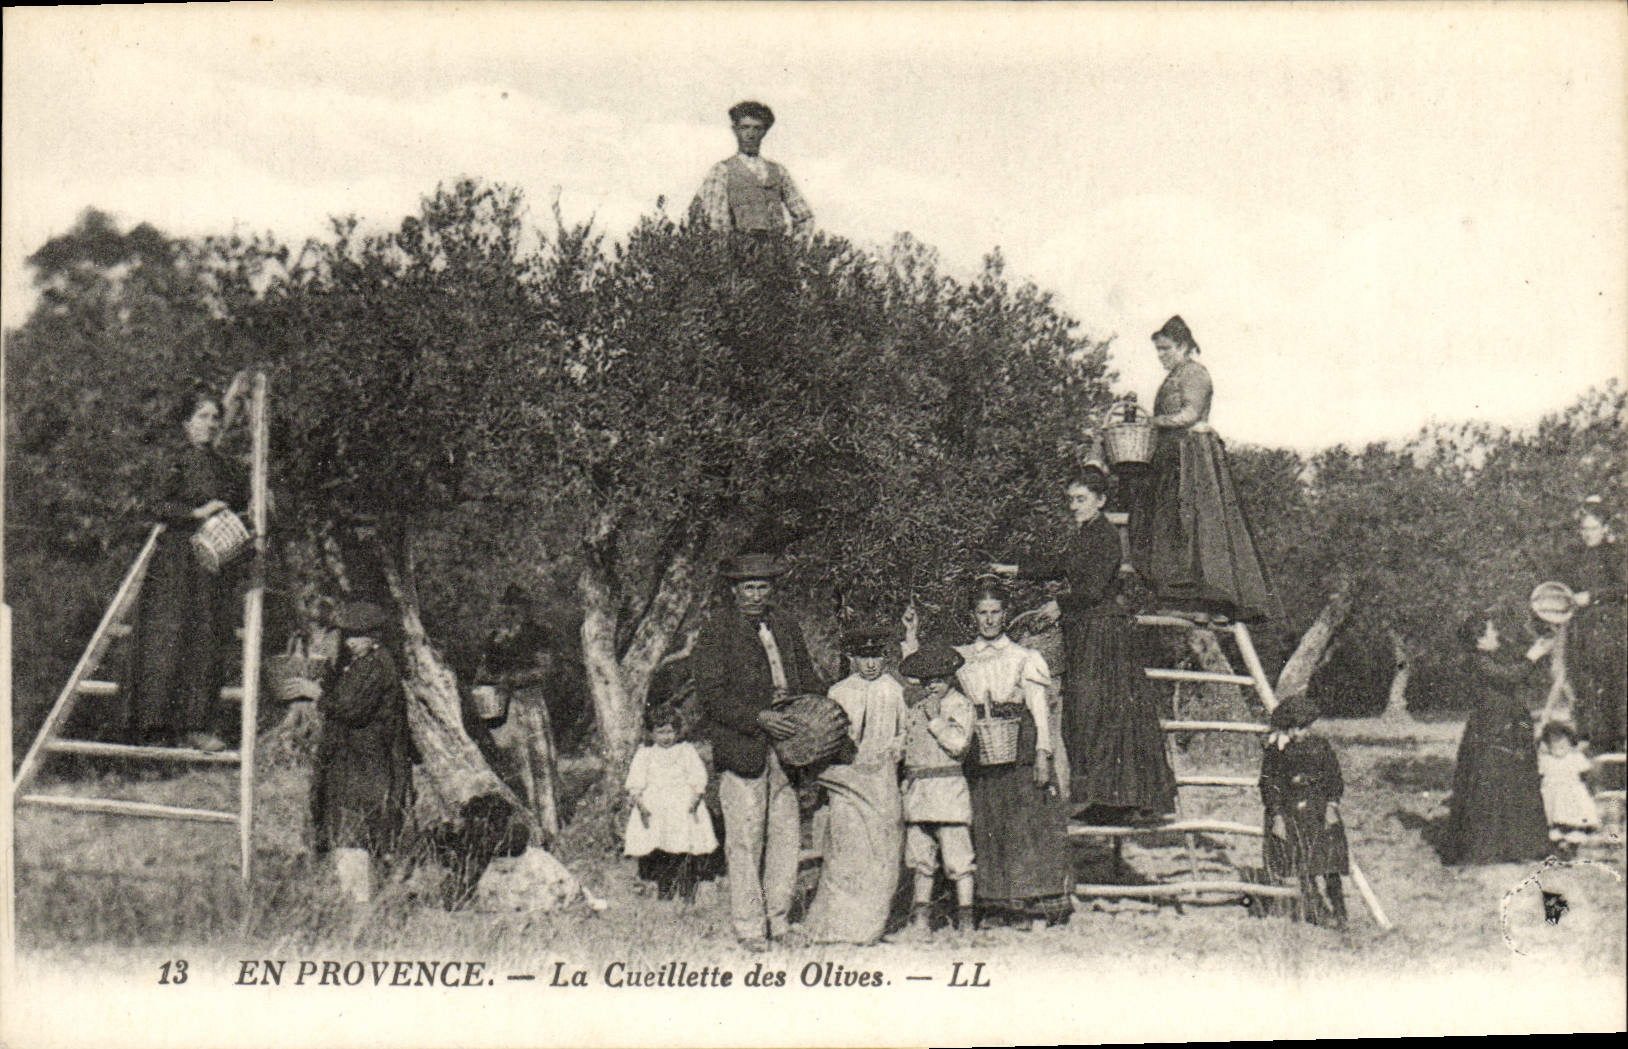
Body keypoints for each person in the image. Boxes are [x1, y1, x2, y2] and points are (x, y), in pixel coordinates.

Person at [992, 464, 1176, 822]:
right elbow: (1061, 565)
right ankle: (1102, 801)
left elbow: (1091, 589)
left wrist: (1059, 603)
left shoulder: (1106, 537)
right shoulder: (1085, 535)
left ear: (1101, 500)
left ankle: (1122, 801)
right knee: (1087, 716)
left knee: (1102, 714)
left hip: (1104, 635)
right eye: (1070, 500)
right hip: (1086, 634)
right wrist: (1013, 570)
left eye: (1081, 499)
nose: (1074, 506)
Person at [692, 552, 822, 950]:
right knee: (746, 839)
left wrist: (813, 715)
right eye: (747, 587)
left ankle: (778, 920)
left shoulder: (785, 625)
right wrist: (759, 718)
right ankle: (750, 927)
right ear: (733, 590)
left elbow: (807, 676)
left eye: (762, 586)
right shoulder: (717, 631)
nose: (755, 594)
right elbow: (711, 697)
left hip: (788, 747)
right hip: (744, 745)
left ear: (772, 588)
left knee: (785, 835)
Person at [1125, 316, 1281, 622]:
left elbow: (1190, 413)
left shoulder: (1196, 374)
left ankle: (1216, 602)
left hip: (1193, 458)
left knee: (1199, 527)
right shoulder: (1173, 376)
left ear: (1183, 346)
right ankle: (1179, 599)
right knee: (1167, 526)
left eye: (1166, 349)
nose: (1162, 356)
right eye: (1158, 350)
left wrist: (1152, 422)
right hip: (1170, 457)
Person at [126, 384, 250, 753]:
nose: (211, 425)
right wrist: (195, 513)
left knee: (207, 641)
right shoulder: (174, 460)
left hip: (212, 561)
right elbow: (152, 505)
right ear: (186, 423)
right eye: (202, 417)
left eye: (216, 418)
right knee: (168, 638)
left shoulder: (227, 467)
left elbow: (243, 505)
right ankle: (154, 726)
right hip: (175, 563)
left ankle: (198, 727)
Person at [954, 580, 1073, 928]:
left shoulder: (1024, 657)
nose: (989, 621)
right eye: (982, 613)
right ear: (973, 616)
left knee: (1023, 822)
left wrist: (1042, 753)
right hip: (981, 747)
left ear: (1005, 615)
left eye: (995, 613)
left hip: (1017, 743)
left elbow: (1039, 710)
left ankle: (1032, 904)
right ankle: (995, 904)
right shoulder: (962, 657)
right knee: (988, 822)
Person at [806, 625, 907, 945]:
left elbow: (905, 729)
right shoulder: (839, 692)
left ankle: (869, 926)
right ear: (852, 658)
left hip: (881, 776)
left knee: (881, 847)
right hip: (846, 777)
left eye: (876, 656)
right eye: (864, 657)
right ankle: (839, 925)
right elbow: (826, 735)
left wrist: (895, 748)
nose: (871, 664)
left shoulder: (894, 689)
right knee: (846, 848)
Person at [310, 601, 413, 903]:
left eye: (357, 636)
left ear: (373, 637)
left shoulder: (377, 665)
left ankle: (359, 900)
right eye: (348, 636)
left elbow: (351, 708)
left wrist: (318, 695)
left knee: (356, 826)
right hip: (357, 757)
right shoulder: (362, 663)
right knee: (351, 823)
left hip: (369, 759)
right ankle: (356, 896)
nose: (350, 642)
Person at [1440, 616, 1551, 866]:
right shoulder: (1477, 661)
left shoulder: (1488, 658)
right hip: (1491, 729)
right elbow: (1508, 676)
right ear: (1478, 640)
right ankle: (1488, 848)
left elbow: (1516, 673)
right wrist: (1533, 655)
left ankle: (1514, 846)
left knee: (1511, 783)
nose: (1497, 635)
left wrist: (1536, 650)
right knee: (1491, 785)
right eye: (1491, 632)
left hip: (1505, 726)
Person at [898, 641, 977, 937]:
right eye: (927, 681)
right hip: (919, 794)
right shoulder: (917, 707)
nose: (933, 686)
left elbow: (958, 744)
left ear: (950, 678)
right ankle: (921, 918)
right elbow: (907, 743)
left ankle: (966, 919)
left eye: (939, 680)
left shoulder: (960, 705)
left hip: (948, 792)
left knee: (958, 857)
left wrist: (936, 720)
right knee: (921, 858)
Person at [474, 584, 560, 830]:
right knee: (513, 761)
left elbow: (545, 669)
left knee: (538, 760)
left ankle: (547, 824)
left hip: (529, 701)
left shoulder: (539, 633)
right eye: (509, 608)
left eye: (519, 607)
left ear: (527, 609)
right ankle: (522, 824)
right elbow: (483, 671)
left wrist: (513, 679)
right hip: (503, 707)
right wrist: (490, 676)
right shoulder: (495, 638)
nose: (513, 612)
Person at [1259, 696, 1350, 930]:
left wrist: (1332, 805)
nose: (1304, 733)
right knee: (1304, 865)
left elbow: (1334, 777)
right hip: (1293, 813)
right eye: (1298, 728)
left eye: (1306, 727)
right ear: (1288, 729)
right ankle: (1316, 909)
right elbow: (1269, 784)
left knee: (1330, 862)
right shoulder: (1276, 751)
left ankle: (1340, 910)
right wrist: (1277, 815)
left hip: (1319, 810)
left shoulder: (1320, 746)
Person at [624, 703, 718, 903]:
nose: (666, 737)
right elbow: (636, 782)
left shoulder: (685, 751)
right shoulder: (645, 754)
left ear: (677, 732)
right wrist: (640, 803)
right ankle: (664, 889)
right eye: (660, 732)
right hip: (656, 806)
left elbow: (698, 776)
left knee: (684, 847)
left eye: (670, 732)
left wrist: (695, 797)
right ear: (651, 733)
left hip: (682, 803)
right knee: (661, 848)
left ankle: (687, 891)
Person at [1554, 498, 1626, 751]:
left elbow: (1622, 587)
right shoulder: (1577, 557)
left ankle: (1616, 743)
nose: (1587, 534)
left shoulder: (1615, 554)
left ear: (1605, 527)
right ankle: (1592, 742)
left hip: (1610, 629)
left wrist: (1593, 596)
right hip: (1581, 629)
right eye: (1583, 529)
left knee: (1612, 683)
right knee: (1584, 683)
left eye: (1592, 528)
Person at [691, 100, 814, 238]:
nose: (750, 134)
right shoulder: (722, 170)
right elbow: (715, 219)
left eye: (757, 128)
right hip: (737, 251)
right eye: (745, 127)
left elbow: (805, 217)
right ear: (735, 130)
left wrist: (794, 247)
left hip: (775, 252)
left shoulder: (778, 171)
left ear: (764, 132)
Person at [1536, 720, 1600, 857]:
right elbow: (1540, 776)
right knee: (1555, 822)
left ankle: (1571, 846)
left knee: (1574, 820)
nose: (1559, 746)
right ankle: (1558, 845)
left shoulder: (1575, 758)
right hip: (1553, 796)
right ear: (1547, 745)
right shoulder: (1546, 760)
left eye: (1563, 742)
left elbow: (1587, 775)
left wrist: (1589, 788)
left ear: (1570, 742)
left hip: (1572, 795)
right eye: (1554, 743)